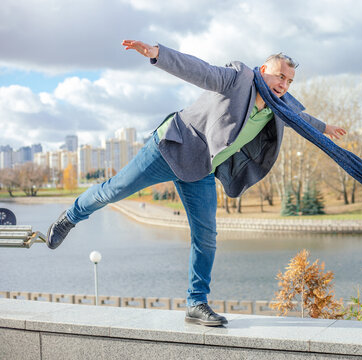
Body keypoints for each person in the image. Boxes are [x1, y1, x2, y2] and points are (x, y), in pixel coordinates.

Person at [46, 40, 346, 327]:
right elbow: (199, 69)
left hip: (201, 168)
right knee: (114, 190)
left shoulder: (279, 105)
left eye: (289, 82)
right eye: (280, 76)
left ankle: (196, 303)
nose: (283, 85)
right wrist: (158, 53)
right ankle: (70, 217)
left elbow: (301, 117)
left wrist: (326, 128)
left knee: (206, 236)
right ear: (262, 70)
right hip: (171, 147)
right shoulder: (237, 79)